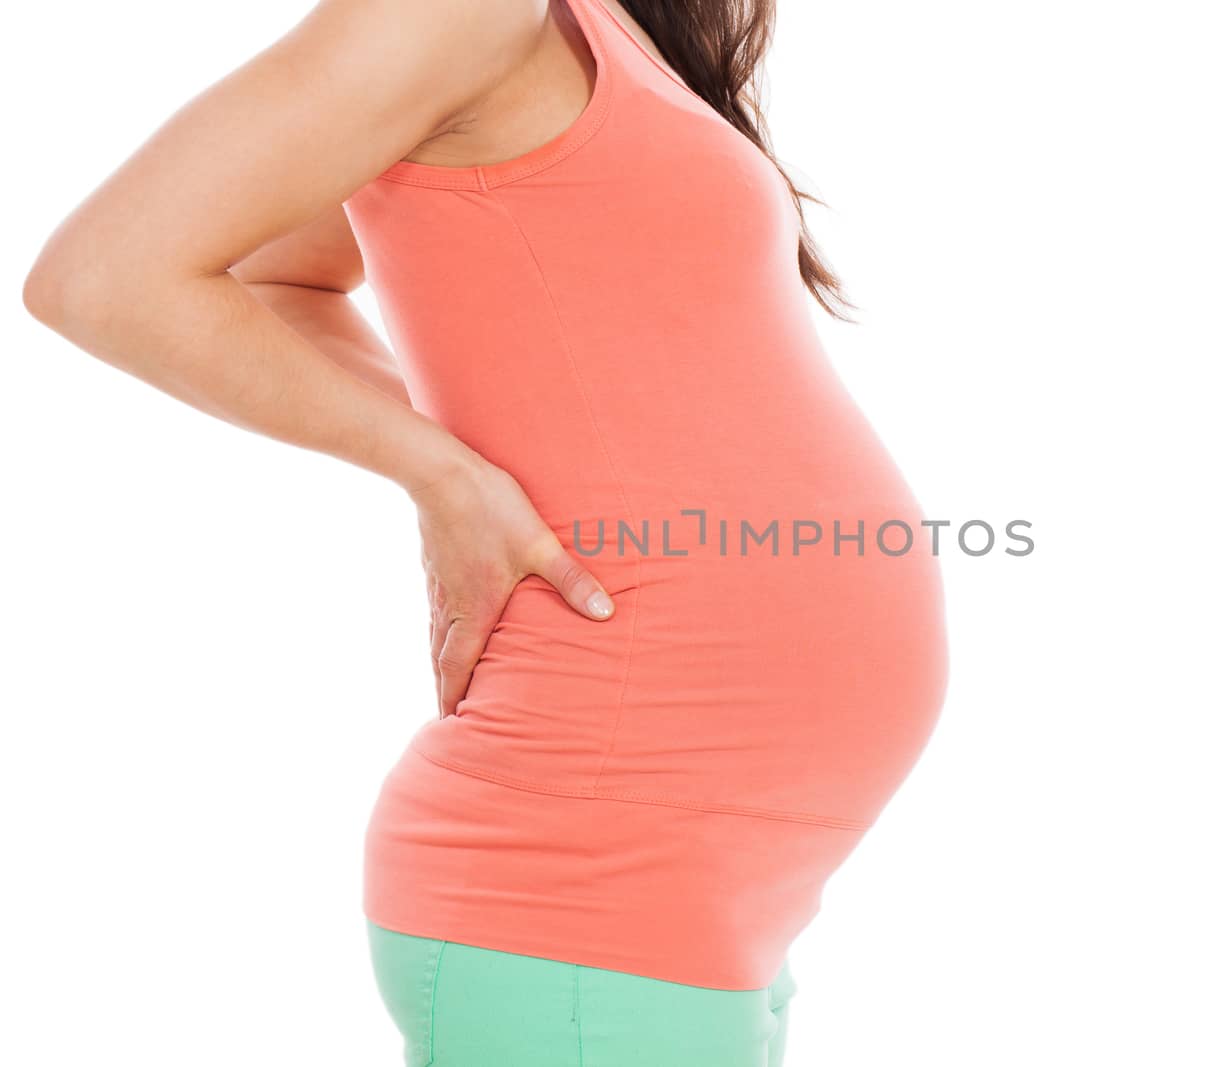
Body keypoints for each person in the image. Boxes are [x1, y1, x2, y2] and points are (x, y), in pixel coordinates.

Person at [23, 0, 949, 1062]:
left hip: (708, 879)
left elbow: (284, 276)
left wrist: (463, 465)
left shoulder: (597, 26)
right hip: (583, 869)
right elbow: (101, 277)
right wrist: (448, 475)